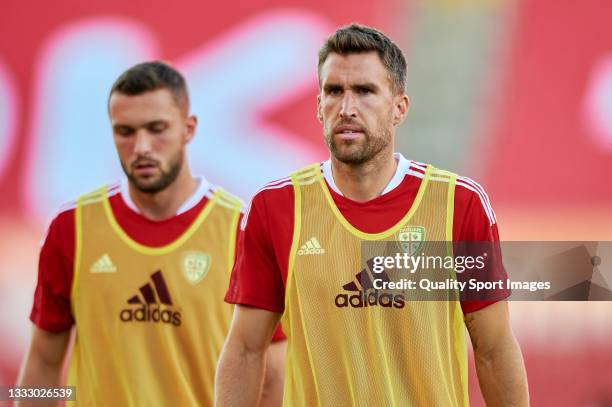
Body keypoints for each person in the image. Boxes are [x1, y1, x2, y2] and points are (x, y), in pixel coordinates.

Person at [216, 24, 529, 406]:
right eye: (334, 91)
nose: (346, 108)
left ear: (399, 108)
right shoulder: (275, 208)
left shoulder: (458, 204)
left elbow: (493, 348)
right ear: (318, 106)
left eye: (365, 91)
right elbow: (246, 350)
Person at [18, 61, 286, 406]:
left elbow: (274, 373)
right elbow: (43, 360)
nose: (142, 146)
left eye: (156, 128)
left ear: (188, 128)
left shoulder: (241, 228)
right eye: (125, 131)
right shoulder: (71, 228)